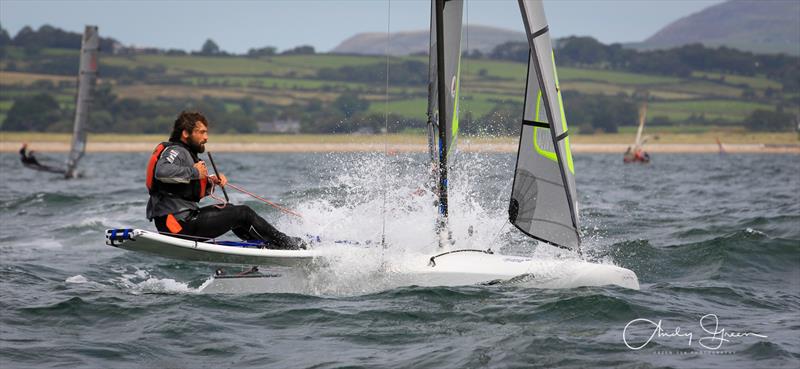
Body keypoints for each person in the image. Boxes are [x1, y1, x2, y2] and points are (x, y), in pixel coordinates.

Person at [146, 111, 306, 250]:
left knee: (230, 210)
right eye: (201, 132)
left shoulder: (186, 153)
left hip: (182, 221)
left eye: (206, 132)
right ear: (185, 133)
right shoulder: (176, 150)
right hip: (176, 225)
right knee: (242, 213)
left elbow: (183, 190)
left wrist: (211, 182)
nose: (206, 137)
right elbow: (162, 172)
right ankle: (285, 243)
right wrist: (195, 172)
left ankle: (263, 245)